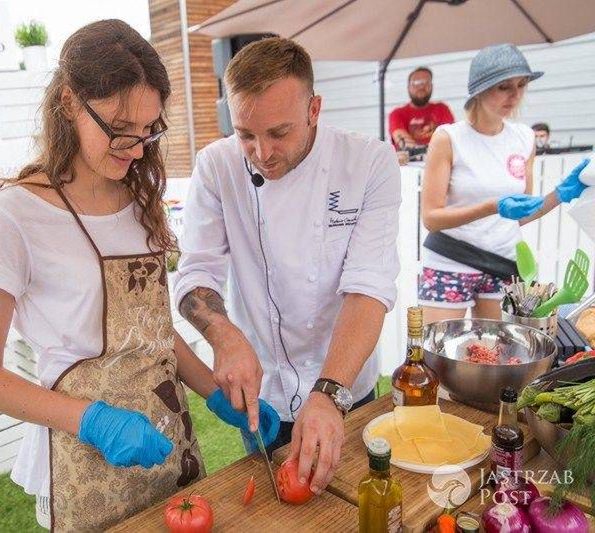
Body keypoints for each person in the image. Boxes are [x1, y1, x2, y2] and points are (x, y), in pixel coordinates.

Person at [0, 20, 279, 531]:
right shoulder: (14, 216)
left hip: (167, 431)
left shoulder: (138, 198)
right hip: (82, 452)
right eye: (118, 130)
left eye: (148, 131)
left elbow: (150, 330)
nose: (135, 150)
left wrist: (212, 392)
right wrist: (92, 420)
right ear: (68, 103)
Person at [173, 37, 401, 496]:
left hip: (346, 387)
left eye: (279, 132)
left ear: (314, 109)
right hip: (264, 394)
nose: (261, 152)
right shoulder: (216, 167)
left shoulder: (368, 163)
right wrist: (224, 334)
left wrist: (330, 394)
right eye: (245, 135)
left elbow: (368, 290)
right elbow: (195, 274)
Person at [420, 44, 590, 324]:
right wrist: (492, 207)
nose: (516, 94)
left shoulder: (524, 138)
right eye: (504, 87)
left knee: (497, 357)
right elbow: (431, 218)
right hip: (451, 258)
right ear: (479, 89)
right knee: (437, 355)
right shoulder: (449, 137)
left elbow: (521, 213)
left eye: (521, 85)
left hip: (504, 261)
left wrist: (560, 194)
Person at [389, 67, 455, 148]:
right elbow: (402, 140)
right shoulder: (397, 113)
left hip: (439, 159)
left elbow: (449, 137)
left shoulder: (442, 109)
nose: (421, 87)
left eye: (426, 82)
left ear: (432, 86)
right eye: (416, 82)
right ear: (408, 87)